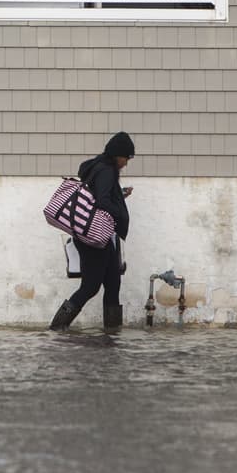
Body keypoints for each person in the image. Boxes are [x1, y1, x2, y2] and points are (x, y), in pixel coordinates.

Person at [49, 131, 135, 331]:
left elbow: (96, 195)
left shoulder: (98, 167)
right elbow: (102, 201)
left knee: (113, 284)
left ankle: (112, 333)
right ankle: (57, 327)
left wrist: (120, 195)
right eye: (126, 158)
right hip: (94, 238)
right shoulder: (107, 170)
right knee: (90, 287)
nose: (126, 163)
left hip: (98, 237)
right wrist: (119, 212)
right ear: (117, 154)